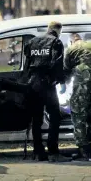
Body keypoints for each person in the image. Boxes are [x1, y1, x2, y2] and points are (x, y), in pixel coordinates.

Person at [21, 21, 70, 162]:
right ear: (58, 30)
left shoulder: (33, 41)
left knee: (37, 119)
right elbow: (57, 65)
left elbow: (27, 64)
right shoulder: (56, 42)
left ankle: (38, 152)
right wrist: (61, 82)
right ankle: (53, 152)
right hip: (47, 85)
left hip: (33, 84)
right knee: (55, 117)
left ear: (48, 29)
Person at [63, 33, 91, 161]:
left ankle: (83, 150)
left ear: (71, 41)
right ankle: (90, 144)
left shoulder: (71, 49)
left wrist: (63, 84)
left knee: (78, 113)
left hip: (84, 81)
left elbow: (66, 69)